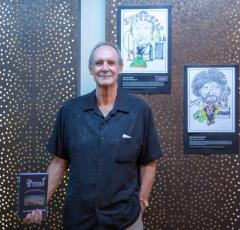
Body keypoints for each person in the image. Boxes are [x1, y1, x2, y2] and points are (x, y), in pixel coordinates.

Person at [23, 42, 163, 229]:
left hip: (125, 219)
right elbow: (59, 162)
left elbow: (148, 163)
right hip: (80, 219)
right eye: (99, 63)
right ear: (90, 69)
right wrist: (38, 203)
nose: (105, 67)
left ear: (120, 68)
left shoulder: (139, 111)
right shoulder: (70, 111)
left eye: (111, 63)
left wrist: (142, 202)